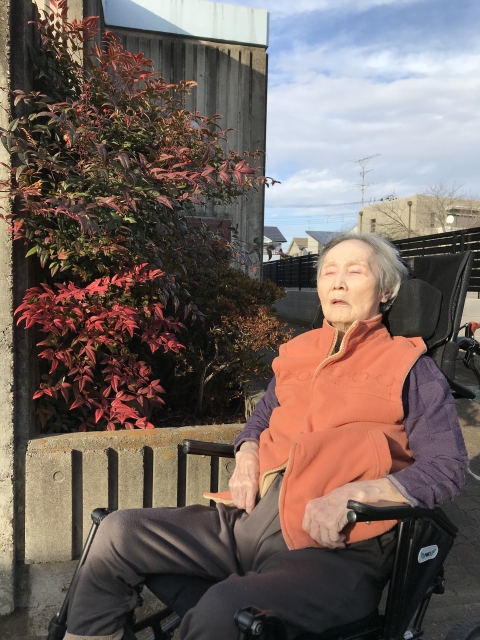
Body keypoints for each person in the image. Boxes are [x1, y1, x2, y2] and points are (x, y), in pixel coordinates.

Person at [64, 233, 468, 640]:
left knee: (225, 610)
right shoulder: (297, 352)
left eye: (355, 271)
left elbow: (446, 468)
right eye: (329, 272)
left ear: (386, 292)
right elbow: (260, 418)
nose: (338, 283)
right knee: (117, 533)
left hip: (334, 548)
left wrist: (355, 494)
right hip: (247, 523)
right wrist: (247, 455)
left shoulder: (409, 367)